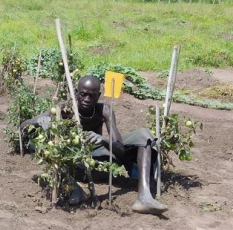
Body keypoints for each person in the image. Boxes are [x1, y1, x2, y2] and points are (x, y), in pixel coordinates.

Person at [22, 75, 168, 215]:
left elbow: (120, 150)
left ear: (98, 96)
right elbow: (23, 126)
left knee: (143, 135)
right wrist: (41, 121)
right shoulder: (65, 110)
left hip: (100, 157)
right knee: (39, 143)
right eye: (83, 94)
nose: (87, 99)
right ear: (76, 92)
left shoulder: (104, 111)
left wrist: (104, 140)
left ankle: (144, 196)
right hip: (74, 161)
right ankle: (75, 189)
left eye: (92, 96)